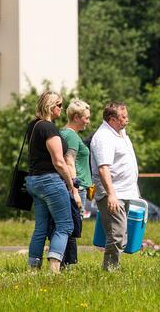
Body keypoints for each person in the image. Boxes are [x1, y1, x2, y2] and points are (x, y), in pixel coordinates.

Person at [24, 91, 81, 273]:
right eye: (59, 105)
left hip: (33, 181)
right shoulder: (49, 128)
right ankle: (54, 267)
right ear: (50, 106)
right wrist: (71, 184)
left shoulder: (33, 126)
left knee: (40, 226)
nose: (61, 109)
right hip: (50, 181)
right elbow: (59, 161)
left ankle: (33, 268)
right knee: (65, 224)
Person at [90, 101, 140, 271]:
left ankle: (113, 267)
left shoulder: (120, 133)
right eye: (123, 117)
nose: (128, 120)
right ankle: (109, 271)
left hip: (125, 191)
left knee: (121, 234)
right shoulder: (103, 137)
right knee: (117, 234)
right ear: (112, 119)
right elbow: (103, 168)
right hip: (113, 193)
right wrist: (111, 195)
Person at [48, 99, 92, 267]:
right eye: (86, 118)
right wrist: (74, 189)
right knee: (72, 225)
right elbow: (69, 161)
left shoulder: (63, 133)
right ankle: (68, 263)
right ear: (76, 117)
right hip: (76, 186)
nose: (88, 121)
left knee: (67, 224)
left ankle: (67, 262)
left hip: (71, 186)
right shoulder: (72, 136)